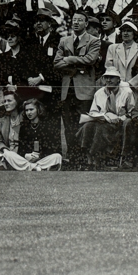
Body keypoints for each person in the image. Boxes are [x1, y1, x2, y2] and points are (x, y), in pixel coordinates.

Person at [54, 11, 101, 167]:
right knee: (68, 125)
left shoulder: (94, 41)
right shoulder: (63, 40)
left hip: (84, 90)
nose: (76, 23)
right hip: (67, 90)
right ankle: (73, 159)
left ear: (86, 24)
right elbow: (56, 63)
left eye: (80, 20)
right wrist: (74, 67)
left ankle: (83, 158)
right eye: (74, 20)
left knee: (83, 125)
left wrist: (69, 59)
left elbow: (90, 59)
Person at [75, 67, 133, 170]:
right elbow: (93, 111)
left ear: (118, 80)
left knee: (101, 128)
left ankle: (96, 158)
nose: (108, 80)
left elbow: (132, 112)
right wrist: (101, 116)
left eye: (112, 78)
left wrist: (119, 118)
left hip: (118, 123)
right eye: (106, 78)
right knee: (87, 126)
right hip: (102, 121)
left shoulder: (127, 92)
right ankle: (88, 157)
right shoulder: (99, 93)